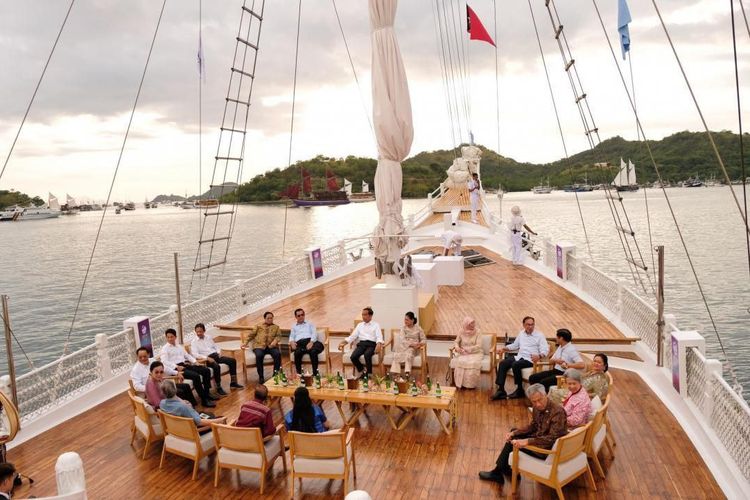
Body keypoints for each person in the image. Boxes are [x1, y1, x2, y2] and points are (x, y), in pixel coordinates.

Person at [479, 384, 567, 484]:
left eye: (540, 400)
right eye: (534, 401)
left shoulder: (558, 412)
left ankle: (498, 472)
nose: (537, 404)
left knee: (512, 444)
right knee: (514, 435)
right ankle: (507, 469)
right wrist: (514, 432)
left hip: (546, 450)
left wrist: (527, 441)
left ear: (546, 395)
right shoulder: (537, 408)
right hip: (539, 439)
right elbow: (533, 426)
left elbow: (551, 439)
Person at [493, 316, 549, 400]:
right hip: (520, 357)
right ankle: (501, 390)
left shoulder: (539, 335)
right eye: (528, 325)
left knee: (516, 365)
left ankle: (519, 390)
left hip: (531, 359)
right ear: (523, 325)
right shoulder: (521, 333)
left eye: (532, 325)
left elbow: (545, 349)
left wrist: (539, 356)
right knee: (503, 363)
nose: (530, 327)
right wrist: (504, 349)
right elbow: (515, 345)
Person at [159, 328, 215, 407]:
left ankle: (207, 393)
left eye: (171, 337)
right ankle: (204, 400)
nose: (170, 339)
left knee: (205, 370)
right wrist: (176, 366)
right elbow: (164, 362)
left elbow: (187, 355)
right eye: (168, 337)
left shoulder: (179, 346)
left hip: (185, 365)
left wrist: (195, 362)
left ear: (175, 337)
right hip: (176, 368)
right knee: (196, 376)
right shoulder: (165, 349)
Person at [190, 322, 243, 394]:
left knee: (232, 361)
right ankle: (219, 387)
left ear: (204, 331)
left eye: (200, 331)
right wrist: (207, 358)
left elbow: (215, 346)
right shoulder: (194, 342)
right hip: (206, 359)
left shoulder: (208, 337)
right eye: (197, 332)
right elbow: (195, 354)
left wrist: (219, 352)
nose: (199, 333)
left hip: (216, 355)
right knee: (216, 366)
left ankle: (233, 383)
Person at [159, 379, 225, 433]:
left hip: (176, 429)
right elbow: (199, 422)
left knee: (208, 414)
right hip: (192, 431)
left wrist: (185, 404)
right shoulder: (182, 407)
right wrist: (219, 420)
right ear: (175, 390)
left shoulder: (162, 403)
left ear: (162, 392)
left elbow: (174, 399)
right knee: (216, 417)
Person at [341, 307, 383, 377]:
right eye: (362, 315)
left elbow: (379, 337)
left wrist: (378, 344)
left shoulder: (376, 325)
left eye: (365, 315)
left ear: (370, 316)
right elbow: (353, 336)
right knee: (353, 357)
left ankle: (369, 374)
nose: (363, 317)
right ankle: (363, 371)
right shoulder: (360, 325)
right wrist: (344, 342)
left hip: (371, 344)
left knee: (367, 354)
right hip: (362, 344)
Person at [242, 311, 282, 383]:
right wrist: (245, 343)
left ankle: (275, 375)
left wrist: (275, 341)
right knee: (259, 355)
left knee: (277, 354)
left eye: (271, 318)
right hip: (259, 346)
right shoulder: (258, 326)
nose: (270, 319)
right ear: (265, 318)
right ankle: (261, 377)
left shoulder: (276, 327)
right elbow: (251, 335)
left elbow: (278, 336)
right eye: (268, 318)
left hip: (271, 346)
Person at [449, 317, 484, 389]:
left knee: (472, 363)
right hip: (463, 353)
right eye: (470, 325)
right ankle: (461, 384)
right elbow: (456, 341)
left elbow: (479, 345)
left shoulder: (478, 332)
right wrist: (457, 348)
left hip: (475, 353)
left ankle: (470, 385)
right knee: (461, 361)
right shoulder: (461, 331)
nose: (472, 326)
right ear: (466, 325)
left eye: (473, 325)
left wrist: (468, 349)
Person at [289, 308, 325, 375]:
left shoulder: (310, 323)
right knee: (297, 353)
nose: (301, 317)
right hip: (300, 343)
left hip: (310, 341)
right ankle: (299, 374)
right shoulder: (294, 326)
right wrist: (291, 342)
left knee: (313, 351)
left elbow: (314, 333)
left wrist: (311, 342)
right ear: (296, 317)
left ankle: (315, 373)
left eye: (302, 315)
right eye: (299, 315)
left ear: (304, 315)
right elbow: (291, 336)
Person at [389, 312, 426, 377]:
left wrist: (420, 344)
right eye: (405, 319)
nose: (405, 321)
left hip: (414, 348)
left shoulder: (418, 328)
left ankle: (407, 374)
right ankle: (396, 374)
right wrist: (411, 344)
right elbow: (402, 340)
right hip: (404, 346)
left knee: (409, 354)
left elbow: (424, 339)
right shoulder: (403, 328)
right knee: (397, 355)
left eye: (407, 320)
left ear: (412, 320)